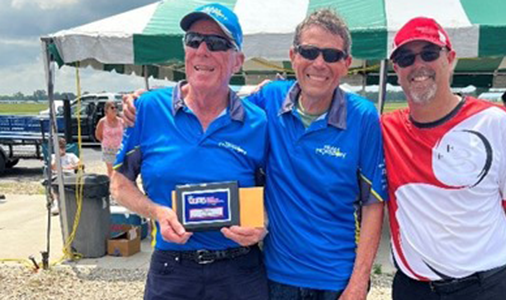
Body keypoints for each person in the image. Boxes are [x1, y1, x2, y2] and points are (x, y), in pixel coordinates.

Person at [123, 9, 386, 300]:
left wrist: (360, 282)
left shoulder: (363, 117)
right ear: (293, 56)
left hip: (335, 277)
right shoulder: (268, 100)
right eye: (309, 52)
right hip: (275, 275)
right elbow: (217, 95)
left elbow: (373, 203)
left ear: (347, 63)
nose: (319, 63)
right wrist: (140, 104)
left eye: (332, 55)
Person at [111, 4, 269, 299]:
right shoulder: (147, 109)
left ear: (238, 61)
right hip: (172, 271)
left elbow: (275, 190)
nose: (203, 50)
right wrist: (156, 212)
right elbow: (120, 185)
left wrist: (264, 223)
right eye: (194, 40)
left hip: (239, 271)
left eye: (218, 43)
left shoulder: (258, 121)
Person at [381, 17, 506, 300]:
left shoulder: (496, 122)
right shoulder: (385, 129)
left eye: (429, 53)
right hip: (415, 288)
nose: (418, 64)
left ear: (450, 59)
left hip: (489, 284)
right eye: (406, 57)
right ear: (396, 69)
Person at [50, 137, 82, 215]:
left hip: (70, 175)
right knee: (54, 184)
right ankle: (57, 203)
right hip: (58, 175)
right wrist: (58, 156)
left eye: (63, 147)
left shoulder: (71, 156)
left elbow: (81, 164)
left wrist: (72, 167)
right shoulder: (53, 156)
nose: (62, 149)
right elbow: (53, 167)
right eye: (60, 147)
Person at [94, 100, 124, 178]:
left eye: (116, 107)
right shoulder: (102, 122)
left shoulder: (121, 121)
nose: (115, 110)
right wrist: (106, 142)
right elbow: (98, 135)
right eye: (112, 108)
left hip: (120, 149)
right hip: (108, 149)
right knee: (111, 171)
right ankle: (112, 187)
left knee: (121, 170)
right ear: (106, 109)